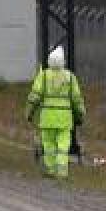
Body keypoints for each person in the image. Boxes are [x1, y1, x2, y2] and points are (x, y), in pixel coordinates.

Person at [25, 47, 86, 179]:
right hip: (65, 118)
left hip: (47, 118)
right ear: (63, 61)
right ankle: (62, 172)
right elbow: (76, 99)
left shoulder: (44, 76)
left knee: (48, 145)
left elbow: (34, 96)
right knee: (63, 145)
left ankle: (51, 170)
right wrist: (81, 113)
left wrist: (29, 112)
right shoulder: (70, 77)